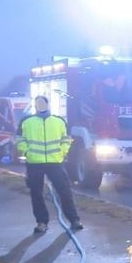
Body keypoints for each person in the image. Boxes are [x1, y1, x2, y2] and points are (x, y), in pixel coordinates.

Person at [17, 95, 82, 233]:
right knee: (36, 193)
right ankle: (42, 222)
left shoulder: (59, 121)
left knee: (64, 191)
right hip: (34, 163)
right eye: (38, 103)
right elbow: (19, 139)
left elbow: (66, 139)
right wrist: (27, 152)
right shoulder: (27, 121)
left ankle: (74, 220)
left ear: (48, 104)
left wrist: (62, 152)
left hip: (55, 162)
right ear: (35, 105)